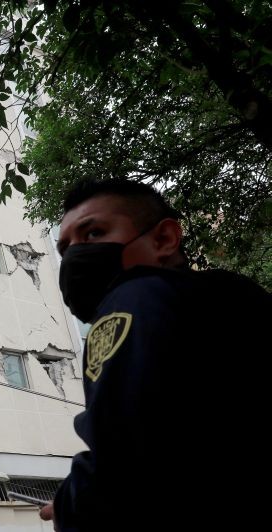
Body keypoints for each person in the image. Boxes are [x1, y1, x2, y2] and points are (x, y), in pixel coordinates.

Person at [39, 179, 271, 531]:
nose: (73, 256)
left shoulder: (134, 298)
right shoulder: (229, 297)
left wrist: (71, 504)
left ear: (163, 239)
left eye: (93, 234)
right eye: (65, 248)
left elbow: (124, 460)